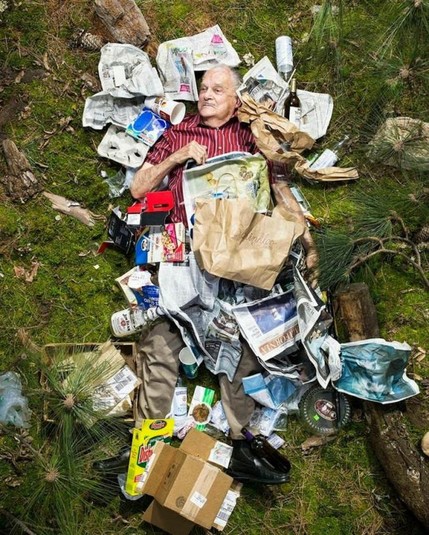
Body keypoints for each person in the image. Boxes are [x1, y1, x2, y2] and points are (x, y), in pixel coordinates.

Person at [128, 64, 318, 484]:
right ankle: (146, 446)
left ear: (236, 100)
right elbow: (138, 188)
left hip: (238, 254)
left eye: (218, 89)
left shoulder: (250, 136)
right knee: (161, 341)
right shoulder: (178, 133)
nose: (207, 94)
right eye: (203, 88)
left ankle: (240, 443)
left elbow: (280, 189)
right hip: (186, 252)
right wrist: (177, 157)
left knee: (243, 343)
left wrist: (307, 241)